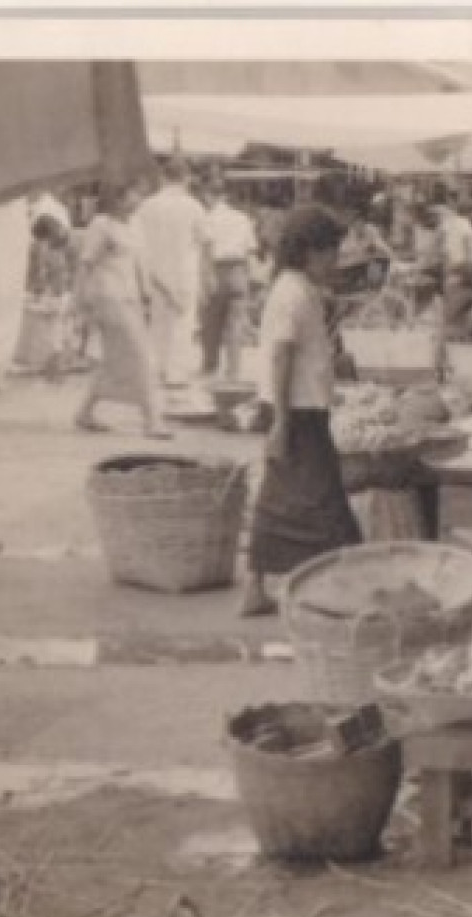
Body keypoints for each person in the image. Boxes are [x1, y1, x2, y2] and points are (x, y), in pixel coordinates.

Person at [239, 207, 363, 618]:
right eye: (330, 254)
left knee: (282, 497)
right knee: (323, 502)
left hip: (302, 406)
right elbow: (281, 356)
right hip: (295, 410)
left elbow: (302, 351)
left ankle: (258, 586)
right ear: (308, 252)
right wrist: (280, 422)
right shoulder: (291, 292)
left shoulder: (300, 288)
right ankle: (342, 589)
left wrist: (331, 360)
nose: (335, 263)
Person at [72, 179, 170, 439]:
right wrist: (79, 302)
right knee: (140, 355)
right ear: (118, 198)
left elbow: (141, 266)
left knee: (116, 359)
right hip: (108, 298)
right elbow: (85, 265)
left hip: (130, 298)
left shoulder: (134, 227)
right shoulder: (101, 225)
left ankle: (84, 412)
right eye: (134, 194)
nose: (138, 200)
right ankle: (152, 420)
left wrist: (157, 291)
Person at [132, 158, 209, 384]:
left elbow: (137, 243)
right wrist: (206, 277)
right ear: (186, 179)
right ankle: (176, 373)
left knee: (158, 322)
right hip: (185, 272)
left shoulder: (146, 206)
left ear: (163, 178)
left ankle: (158, 369)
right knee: (183, 324)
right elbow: (203, 242)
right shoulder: (194, 206)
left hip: (155, 273)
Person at [198, 180, 260, 380]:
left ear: (209, 195)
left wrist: (205, 277)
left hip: (217, 268)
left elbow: (205, 250)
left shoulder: (207, 218)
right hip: (239, 269)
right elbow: (251, 251)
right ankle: (233, 370)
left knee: (211, 322)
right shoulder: (243, 218)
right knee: (235, 324)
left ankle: (210, 366)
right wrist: (249, 279)